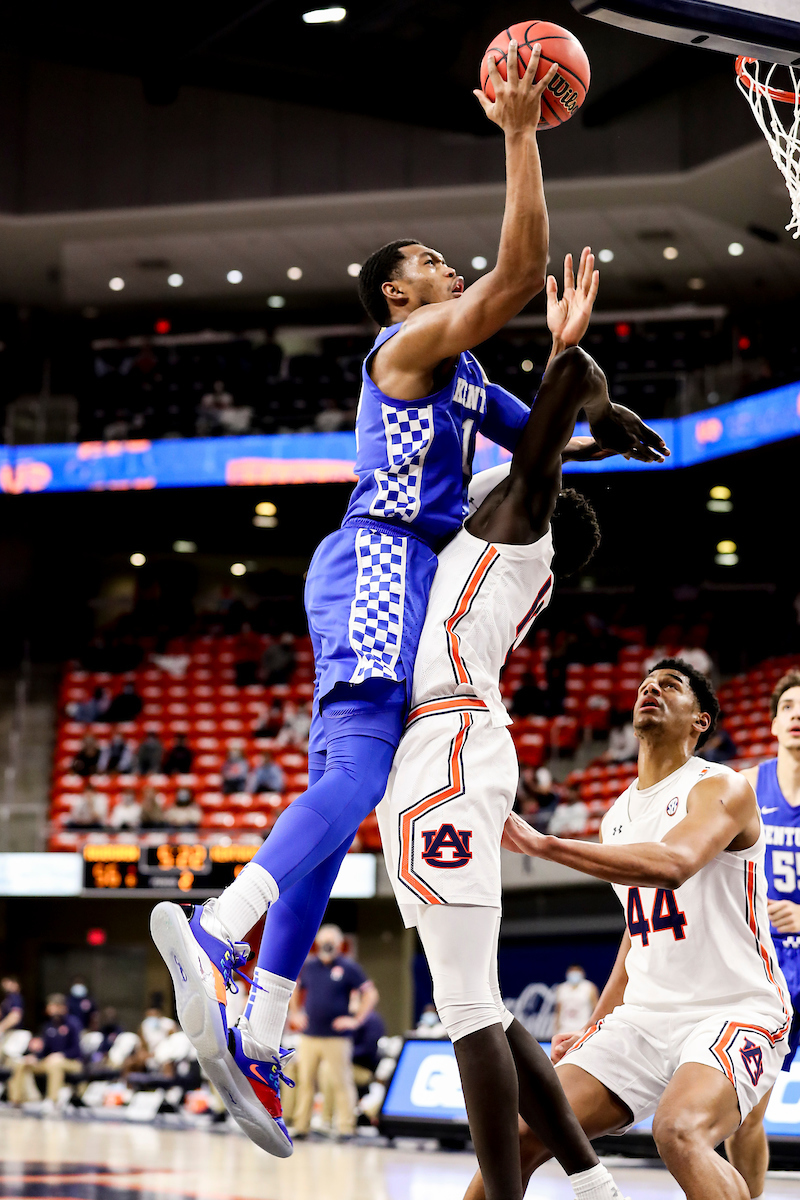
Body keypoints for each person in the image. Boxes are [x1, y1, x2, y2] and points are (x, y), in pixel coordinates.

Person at [151, 40, 572, 1158]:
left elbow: (530, 444)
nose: (452, 268)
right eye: (437, 261)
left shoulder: (467, 377)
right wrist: (520, 136)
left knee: (354, 805)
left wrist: (580, 392)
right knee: (352, 778)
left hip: (396, 574)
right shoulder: (403, 347)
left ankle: (259, 1023)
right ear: (401, 291)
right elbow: (515, 281)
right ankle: (218, 926)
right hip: (378, 561)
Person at [378, 268, 665, 1200]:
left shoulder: (512, 525)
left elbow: (554, 413)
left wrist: (572, 362)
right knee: (487, 1004)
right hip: (439, 748)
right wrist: (596, 435)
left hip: (450, 746)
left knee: (462, 1007)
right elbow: (545, 448)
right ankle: (589, 1183)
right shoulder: (512, 538)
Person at [481, 660, 791, 1200]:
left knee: (680, 1131)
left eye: (670, 687)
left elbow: (674, 863)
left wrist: (546, 845)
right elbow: (636, 931)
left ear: (701, 720)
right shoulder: (618, 814)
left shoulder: (721, 785)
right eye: (646, 686)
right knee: (520, 1134)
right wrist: (595, 1025)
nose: (652, 691)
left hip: (735, 1007)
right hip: (645, 1019)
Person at [725, 668, 800, 1200]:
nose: (799, 715)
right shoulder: (747, 785)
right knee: (745, 1114)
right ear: (772, 724)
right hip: (765, 973)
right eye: (789, 706)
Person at [288, 926, 379, 1140]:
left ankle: (346, 1127)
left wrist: (356, 1020)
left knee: (341, 1082)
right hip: (310, 1035)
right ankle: (302, 1126)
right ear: (318, 943)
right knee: (305, 1082)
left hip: (337, 1037)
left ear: (339, 944)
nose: (328, 946)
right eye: (324, 941)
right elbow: (295, 988)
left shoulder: (348, 967)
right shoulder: (310, 966)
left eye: (332, 941)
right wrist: (295, 1013)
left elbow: (371, 994)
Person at [7, 993, 83, 1107]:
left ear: (61, 1007)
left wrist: (61, 1055)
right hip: (49, 1060)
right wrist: (34, 1057)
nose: (49, 1009)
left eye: (52, 1006)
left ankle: (52, 1100)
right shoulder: (48, 1026)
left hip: (72, 1062)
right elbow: (45, 1050)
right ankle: (15, 1100)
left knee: (55, 1065)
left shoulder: (73, 1024)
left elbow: (76, 1050)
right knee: (20, 1064)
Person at [553, 966, 598, 1038]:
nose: (574, 974)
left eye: (577, 971)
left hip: (582, 1028)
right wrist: (556, 1028)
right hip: (564, 1029)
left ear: (582, 973)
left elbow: (595, 1008)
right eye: (572, 971)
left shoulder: (589, 987)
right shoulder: (561, 988)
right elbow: (558, 1011)